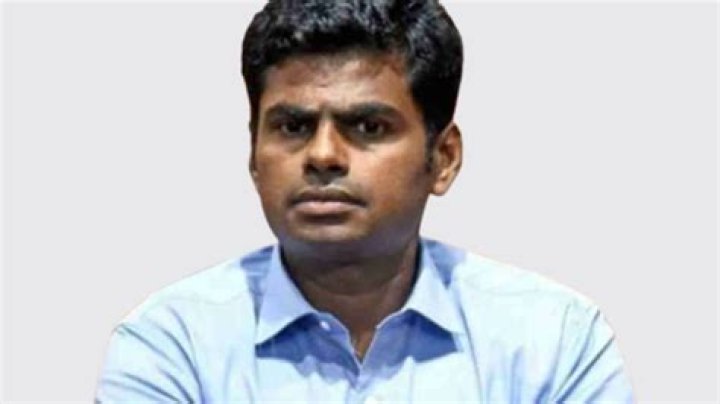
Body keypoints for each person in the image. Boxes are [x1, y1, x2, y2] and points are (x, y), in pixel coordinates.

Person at [96, 0, 634, 402]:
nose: (323, 155)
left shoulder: (551, 340)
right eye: (292, 126)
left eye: (369, 127)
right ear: (254, 155)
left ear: (443, 158)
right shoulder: (174, 345)